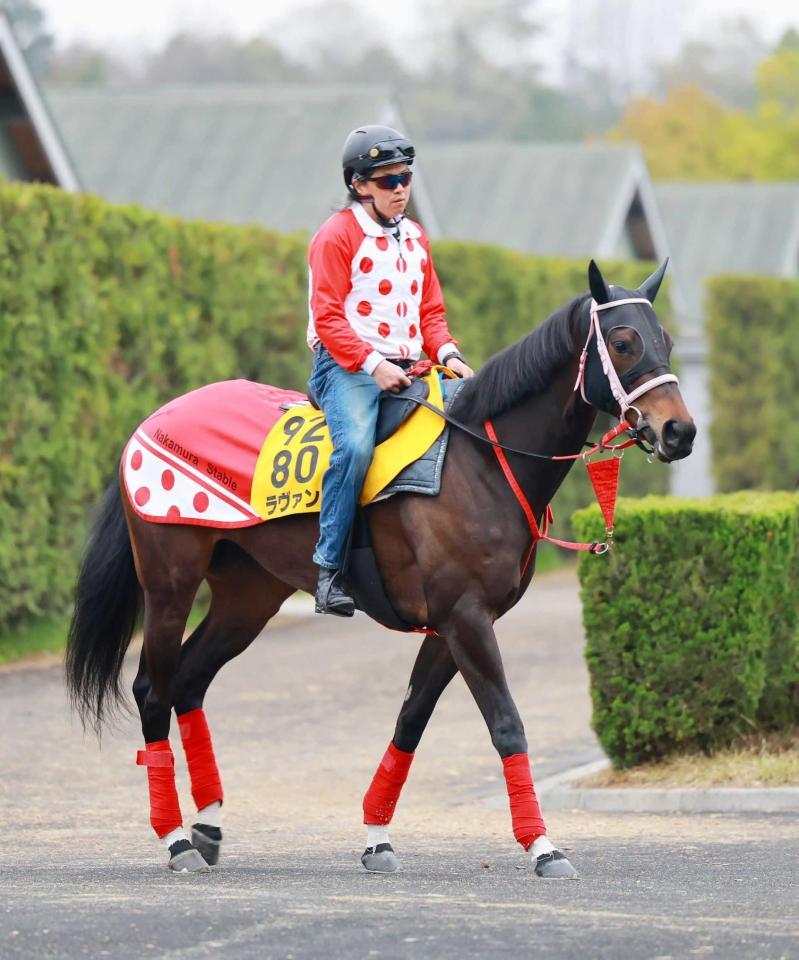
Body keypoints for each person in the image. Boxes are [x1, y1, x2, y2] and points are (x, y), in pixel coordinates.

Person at [307, 124, 474, 616]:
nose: (400, 189)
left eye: (405, 179)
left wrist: (449, 357)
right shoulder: (336, 235)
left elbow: (431, 316)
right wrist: (373, 364)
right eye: (387, 181)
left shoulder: (417, 238)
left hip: (410, 366)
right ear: (359, 185)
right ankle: (328, 570)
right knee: (356, 447)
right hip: (344, 368)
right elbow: (328, 317)